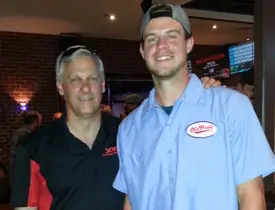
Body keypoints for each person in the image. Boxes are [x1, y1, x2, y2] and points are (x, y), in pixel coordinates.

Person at [9, 44, 220, 210]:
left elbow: (173, 144)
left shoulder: (129, 132)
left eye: (92, 78)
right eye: (75, 79)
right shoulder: (32, 148)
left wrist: (198, 95)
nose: (85, 87)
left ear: (102, 84)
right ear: (60, 87)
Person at [113, 3, 275, 210]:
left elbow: (251, 194)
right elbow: (131, 200)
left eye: (172, 35)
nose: (161, 45)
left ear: (189, 44)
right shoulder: (129, 128)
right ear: (142, 50)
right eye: (152, 38)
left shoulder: (231, 108)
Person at [10, 111, 42, 176]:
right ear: (35, 122)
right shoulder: (28, 134)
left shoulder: (19, 132)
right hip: (24, 169)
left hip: (17, 168)